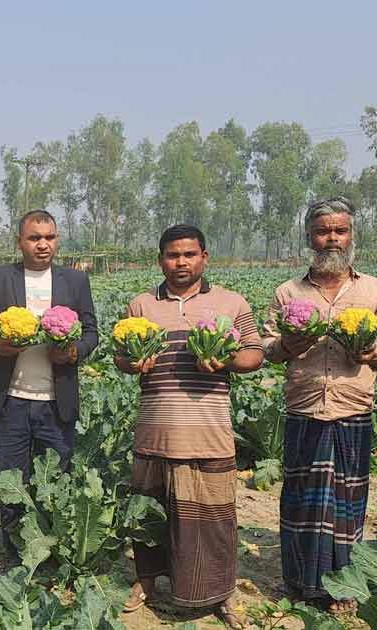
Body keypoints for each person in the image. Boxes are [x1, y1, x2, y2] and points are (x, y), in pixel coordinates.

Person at [261, 196, 377, 613]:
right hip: (305, 409)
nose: (332, 238)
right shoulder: (287, 291)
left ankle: (343, 585)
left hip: (352, 409)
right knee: (300, 499)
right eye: (323, 231)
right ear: (310, 236)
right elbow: (266, 344)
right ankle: (301, 582)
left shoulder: (375, 289)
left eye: (339, 230)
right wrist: (287, 344)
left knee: (348, 499)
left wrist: (374, 351)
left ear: (351, 235)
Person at [116, 225, 262, 628]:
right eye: (172, 255)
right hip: (155, 429)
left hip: (209, 431)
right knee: (148, 513)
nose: (181, 262)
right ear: (160, 258)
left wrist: (226, 360)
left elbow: (254, 353)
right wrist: (133, 362)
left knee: (213, 519)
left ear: (204, 257)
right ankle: (146, 582)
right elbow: (119, 358)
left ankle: (220, 593)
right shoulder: (141, 305)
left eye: (189, 255)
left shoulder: (231, 302)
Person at [0, 210, 99, 565]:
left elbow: (91, 332)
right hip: (11, 401)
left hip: (56, 403)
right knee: (12, 482)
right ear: (20, 242)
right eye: (34, 237)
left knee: (55, 482)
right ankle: (16, 556)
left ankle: (50, 553)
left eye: (49, 237)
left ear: (56, 240)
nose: (43, 244)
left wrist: (74, 352)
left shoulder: (75, 282)